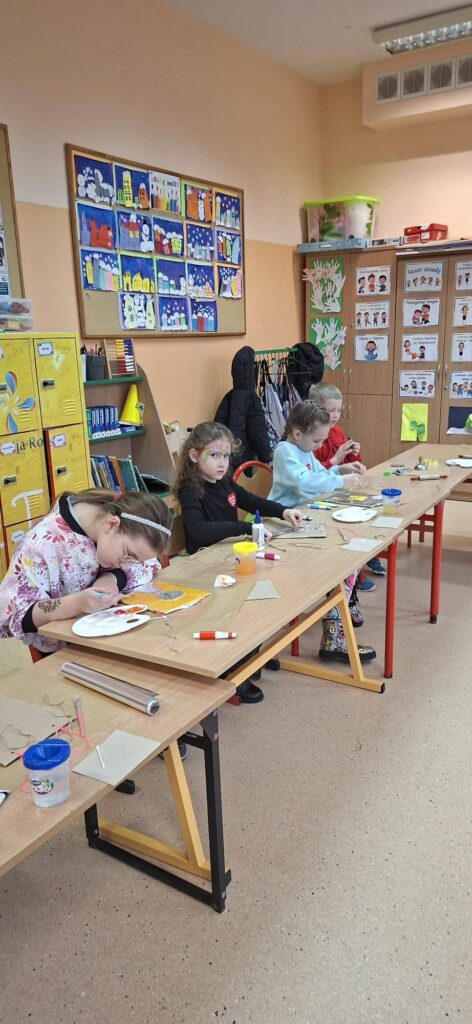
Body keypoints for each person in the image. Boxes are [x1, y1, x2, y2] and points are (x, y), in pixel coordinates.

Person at [174, 422, 303, 703]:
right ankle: (235, 672)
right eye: (214, 455)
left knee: (261, 597)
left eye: (226, 456)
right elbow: (199, 530)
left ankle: (250, 655)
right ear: (194, 456)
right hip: (204, 568)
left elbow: (251, 500)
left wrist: (283, 511)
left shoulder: (224, 482)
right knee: (242, 605)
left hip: (227, 558)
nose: (222, 463)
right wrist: (244, 528)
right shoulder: (190, 490)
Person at [268, 401, 376, 664]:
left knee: (351, 554)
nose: (319, 446)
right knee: (345, 557)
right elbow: (304, 482)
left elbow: (319, 473)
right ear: (297, 433)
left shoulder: (303, 450)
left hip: (302, 519)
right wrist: (340, 480)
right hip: (281, 525)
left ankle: (334, 628)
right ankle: (334, 635)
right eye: (317, 440)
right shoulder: (285, 451)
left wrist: (340, 469)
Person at [308, 382, 386, 587]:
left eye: (338, 410)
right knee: (350, 524)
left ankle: (366, 557)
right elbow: (314, 474)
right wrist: (336, 458)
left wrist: (354, 454)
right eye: (330, 410)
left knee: (370, 511)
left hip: (336, 488)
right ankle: (354, 575)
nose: (335, 415)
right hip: (320, 494)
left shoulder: (337, 431)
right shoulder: (311, 436)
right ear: (315, 408)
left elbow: (347, 466)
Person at [214, 345, 272, 469]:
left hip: (229, 454)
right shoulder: (252, 397)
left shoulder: (229, 396)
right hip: (246, 456)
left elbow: (218, 424)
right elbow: (258, 430)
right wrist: (267, 457)